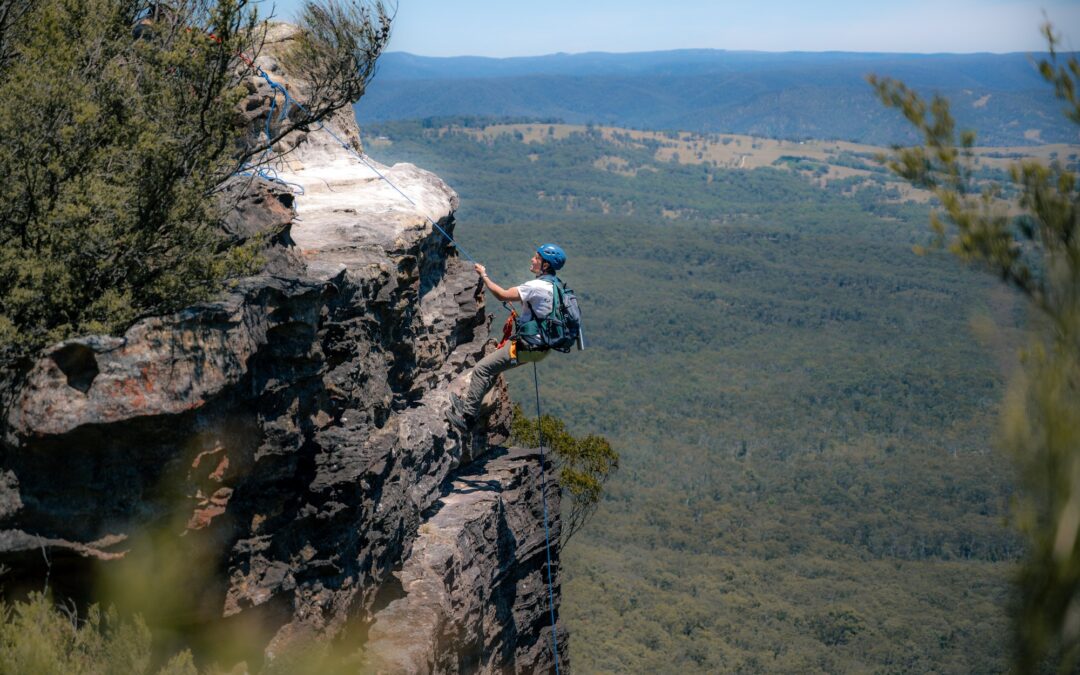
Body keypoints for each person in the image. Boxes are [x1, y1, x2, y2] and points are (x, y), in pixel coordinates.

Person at [446, 243, 567, 431]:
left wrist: (483, 275)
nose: (532, 259)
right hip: (540, 347)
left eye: (537, 258)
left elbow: (502, 295)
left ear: (545, 265)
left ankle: (467, 418)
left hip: (527, 347)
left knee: (482, 369)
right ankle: (474, 403)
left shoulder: (535, 286)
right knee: (493, 367)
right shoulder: (556, 286)